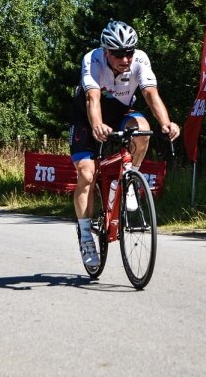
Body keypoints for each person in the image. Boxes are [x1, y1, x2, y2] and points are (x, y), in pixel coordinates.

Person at [69, 19, 181, 267]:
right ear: (106, 51)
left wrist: (167, 123)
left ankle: (131, 178)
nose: (125, 59)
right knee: (87, 174)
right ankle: (86, 236)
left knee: (143, 130)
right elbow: (92, 97)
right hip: (87, 118)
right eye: (118, 53)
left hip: (119, 114)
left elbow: (151, 95)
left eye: (128, 52)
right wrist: (97, 124)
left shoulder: (140, 60)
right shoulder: (93, 60)